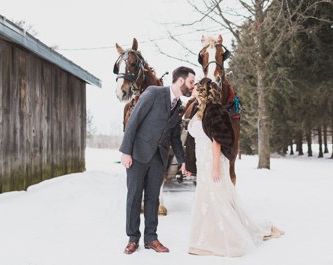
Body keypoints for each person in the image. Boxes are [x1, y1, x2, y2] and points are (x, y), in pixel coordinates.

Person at [187, 78, 284, 257]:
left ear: (202, 91)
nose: (192, 89)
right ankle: (208, 237)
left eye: (195, 88)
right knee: (207, 200)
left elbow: (217, 141)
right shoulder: (198, 109)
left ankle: (232, 239)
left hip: (213, 161)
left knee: (220, 199)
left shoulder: (214, 110)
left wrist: (215, 167)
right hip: (203, 162)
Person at [119, 66, 195, 254]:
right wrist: (126, 151)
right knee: (134, 196)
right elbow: (134, 121)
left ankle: (151, 238)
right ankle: (132, 239)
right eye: (191, 82)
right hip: (137, 154)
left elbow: (175, 137)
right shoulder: (153, 93)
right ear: (180, 81)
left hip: (158, 158)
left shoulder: (179, 107)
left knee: (153, 199)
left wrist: (183, 160)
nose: (193, 86)